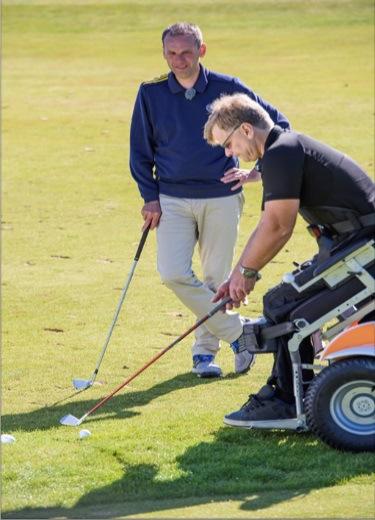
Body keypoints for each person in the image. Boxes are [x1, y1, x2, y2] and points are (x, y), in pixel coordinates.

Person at [130, 22, 290, 378]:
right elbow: (140, 152)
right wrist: (149, 198)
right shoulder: (150, 93)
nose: (179, 60)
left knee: (216, 278)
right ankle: (239, 334)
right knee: (172, 272)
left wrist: (256, 172)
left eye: (186, 52)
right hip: (171, 199)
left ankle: (205, 354)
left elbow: (279, 127)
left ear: (202, 51)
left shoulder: (228, 88)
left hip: (221, 197)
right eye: (171, 53)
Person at [203, 93, 375, 425]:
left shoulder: (281, 153)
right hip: (355, 244)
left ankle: (286, 400)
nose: (229, 154)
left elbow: (279, 226)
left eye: (228, 144)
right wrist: (237, 274)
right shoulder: (281, 151)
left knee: (282, 304)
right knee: (284, 301)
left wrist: (248, 273)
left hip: (365, 248)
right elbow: (266, 225)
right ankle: (299, 395)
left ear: (246, 130)